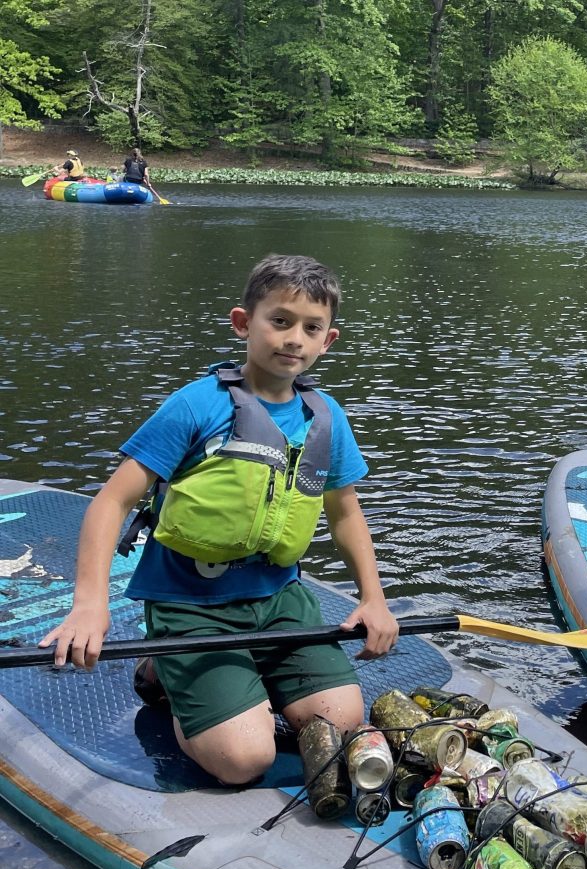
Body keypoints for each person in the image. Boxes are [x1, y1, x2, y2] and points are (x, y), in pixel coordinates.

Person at [40, 254, 400, 785]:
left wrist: (374, 599)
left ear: (328, 341)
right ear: (243, 323)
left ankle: (244, 673)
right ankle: (164, 671)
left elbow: (346, 515)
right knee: (242, 761)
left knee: (343, 723)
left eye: (311, 328)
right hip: (192, 604)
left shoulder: (326, 418)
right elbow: (109, 503)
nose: (294, 339)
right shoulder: (195, 406)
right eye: (279, 321)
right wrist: (90, 606)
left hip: (279, 600)